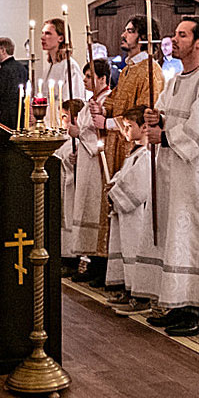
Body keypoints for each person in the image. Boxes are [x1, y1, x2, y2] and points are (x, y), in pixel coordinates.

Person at [139, 15, 199, 337]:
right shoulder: (177, 79)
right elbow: (164, 111)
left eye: (181, 35)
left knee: (198, 238)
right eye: (175, 34)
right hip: (175, 173)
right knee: (176, 237)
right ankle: (180, 303)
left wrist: (163, 136)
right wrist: (155, 116)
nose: (173, 40)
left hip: (198, 178)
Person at [90, 14, 164, 181]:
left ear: (144, 38)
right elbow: (115, 99)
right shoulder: (128, 68)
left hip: (133, 146)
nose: (123, 35)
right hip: (116, 143)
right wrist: (102, 109)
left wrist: (107, 123)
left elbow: (142, 113)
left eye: (130, 31)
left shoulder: (151, 71)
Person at [64, 59, 112, 285]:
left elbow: (101, 138)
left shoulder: (107, 100)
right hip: (85, 163)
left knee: (95, 211)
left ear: (102, 78)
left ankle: (100, 266)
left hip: (98, 166)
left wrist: (79, 134)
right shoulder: (90, 101)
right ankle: (91, 262)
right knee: (85, 210)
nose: (84, 80)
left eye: (89, 76)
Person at [103, 105, 153, 315]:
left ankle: (140, 295)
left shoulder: (147, 155)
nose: (125, 131)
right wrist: (113, 185)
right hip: (125, 216)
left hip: (137, 216)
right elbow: (124, 176)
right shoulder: (134, 152)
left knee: (135, 251)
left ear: (143, 127)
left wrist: (116, 193)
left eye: (129, 126)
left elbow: (138, 185)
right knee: (124, 250)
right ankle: (126, 288)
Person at [41, 18, 86, 126]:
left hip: (61, 126)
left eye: (48, 34)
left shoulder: (70, 66)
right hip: (47, 124)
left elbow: (73, 102)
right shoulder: (49, 68)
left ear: (61, 38)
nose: (42, 37)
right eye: (42, 33)